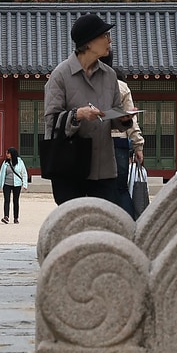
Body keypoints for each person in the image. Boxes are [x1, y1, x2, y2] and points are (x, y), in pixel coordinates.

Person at [43, 13, 130, 205]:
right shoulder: (60, 75)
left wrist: (123, 119)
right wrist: (78, 114)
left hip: (104, 166)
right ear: (89, 43)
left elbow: (114, 112)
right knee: (73, 224)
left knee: (104, 223)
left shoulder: (109, 75)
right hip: (70, 165)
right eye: (104, 36)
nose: (110, 40)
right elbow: (51, 120)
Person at [109, 71, 146, 219]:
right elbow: (131, 120)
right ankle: (129, 224)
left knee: (99, 187)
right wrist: (138, 146)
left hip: (97, 141)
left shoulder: (93, 83)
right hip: (119, 141)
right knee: (121, 189)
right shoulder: (123, 87)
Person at [0, 148, 28, 224]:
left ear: (12, 154)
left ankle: (16, 218)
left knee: (16, 201)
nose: (7, 154)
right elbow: (1, 175)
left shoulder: (20, 162)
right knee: (7, 200)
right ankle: (6, 216)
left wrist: (25, 184)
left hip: (17, 184)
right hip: (7, 184)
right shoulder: (5, 163)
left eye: (8, 153)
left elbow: (24, 173)